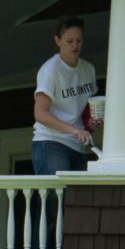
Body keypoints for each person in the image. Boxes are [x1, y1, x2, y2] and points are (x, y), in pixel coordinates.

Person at [31, 15, 101, 175]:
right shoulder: (51, 70)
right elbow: (40, 113)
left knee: (73, 193)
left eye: (79, 40)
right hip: (51, 142)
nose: (75, 45)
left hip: (79, 145)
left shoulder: (88, 69)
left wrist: (92, 122)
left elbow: (86, 110)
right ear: (58, 41)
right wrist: (73, 130)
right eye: (69, 41)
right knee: (55, 192)